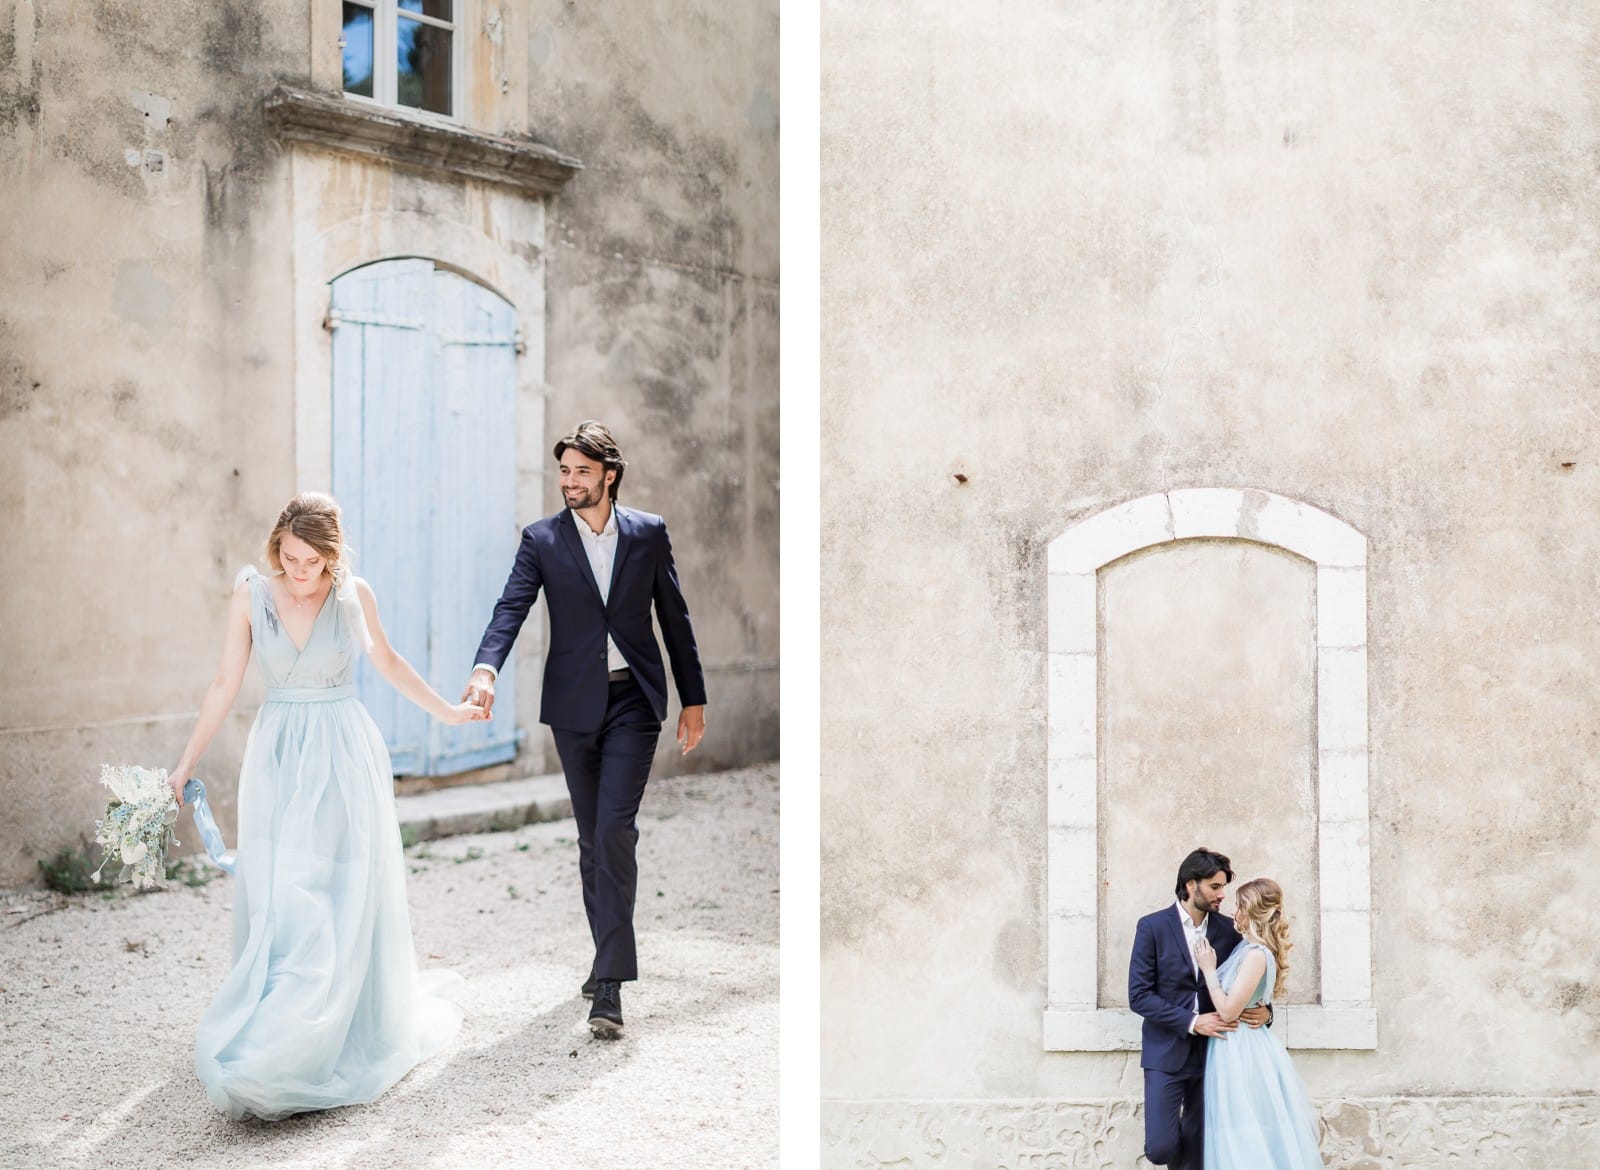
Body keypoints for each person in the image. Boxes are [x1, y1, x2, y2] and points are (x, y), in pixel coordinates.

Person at [167, 492, 486, 1120]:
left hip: (343, 753)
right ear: (276, 548)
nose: (300, 571)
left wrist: (448, 712)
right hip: (281, 757)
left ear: (332, 556)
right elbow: (225, 683)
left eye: (313, 561)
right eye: (289, 557)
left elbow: (387, 661)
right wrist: (184, 766)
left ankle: (309, 1043)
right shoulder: (253, 595)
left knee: (335, 891)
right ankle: (279, 1036)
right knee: (286, 894)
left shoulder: (352, 595)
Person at [463, 420, 707, 1038]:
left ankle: (610, 989)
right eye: (564, 472)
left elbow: (672, 616)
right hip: (574, 709)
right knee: (591, 840)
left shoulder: (648, 534)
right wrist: (486, 668)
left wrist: (693, 698)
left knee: (615, 829)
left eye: (581, 472)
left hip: (634, 703)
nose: (570, 482)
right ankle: (606, 953)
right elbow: (511, 606)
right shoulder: (542, 539)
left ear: (609, 475)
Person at [1128, 848, 1273, 1170]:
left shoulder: (1228, 931)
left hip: (1217, 1054)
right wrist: (1193, 1022)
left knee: (1200, 1149)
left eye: (1223, 887)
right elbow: (1139, 995)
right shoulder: (1152, 927)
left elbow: (1248, 980)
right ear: (1191, 885)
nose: (1223, 895)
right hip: (1166, 1053)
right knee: (1161, 1148)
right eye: (1215, 886)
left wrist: (1267, 1013)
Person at [1195, 878, 1326, 1169]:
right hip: (1232, 1046)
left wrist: (1208, 970)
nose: (1234, 912)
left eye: (1240, 906)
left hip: (1243, 1049)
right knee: (1236, 1128)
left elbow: (1229, 1012)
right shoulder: (1246, 948)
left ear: (1253, 912)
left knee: (1247, 1128)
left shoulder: (1256, 955)